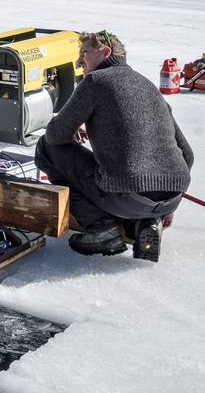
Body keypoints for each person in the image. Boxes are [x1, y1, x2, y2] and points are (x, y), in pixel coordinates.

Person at [35, 30, 193, 261]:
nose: (79, 61)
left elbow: (55, 135)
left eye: (84, 53)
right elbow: (187, 154)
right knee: (132, 180)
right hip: (171, 198)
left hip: (127, 196)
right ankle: (146, 223)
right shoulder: (147, 85)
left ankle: (101, 228)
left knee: (47, 150)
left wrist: (72, 128)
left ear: (105, 52)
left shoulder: (96, 80)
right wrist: (169, 204)